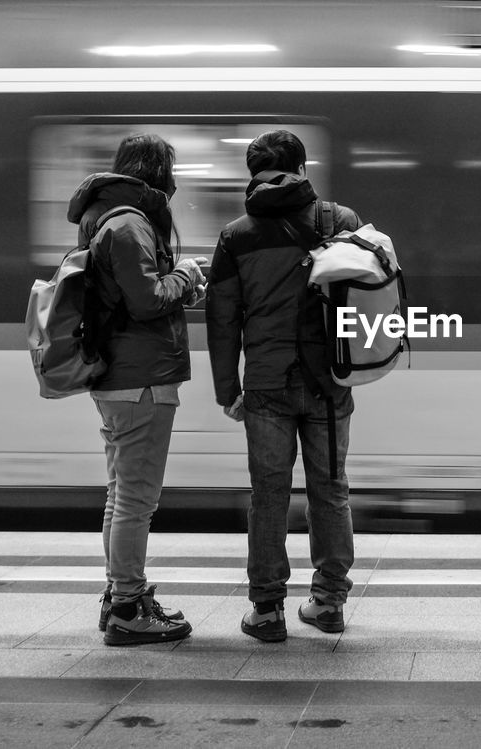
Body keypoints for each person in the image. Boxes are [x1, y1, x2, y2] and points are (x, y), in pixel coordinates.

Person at [206, 129, 362, 642]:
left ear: (253, 174)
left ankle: (268, 610)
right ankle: (329, 603)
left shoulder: (236, 235)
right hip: (328, 382)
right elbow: (359, 303)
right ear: (301, 164)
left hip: (268, 383)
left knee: (269, 494)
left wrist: (227, 387)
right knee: (330, 489)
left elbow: (223, 316)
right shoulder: (339, 222)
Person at [67, 132, 207, 645]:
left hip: (123, 374)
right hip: (140, 377)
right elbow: (147, 300)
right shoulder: (130, 224)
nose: (174, 183)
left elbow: (135, 295)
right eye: (170, 171)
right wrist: (187, 276)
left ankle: (119, 593)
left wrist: (177, 282)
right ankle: (128, 604)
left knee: (120, 493)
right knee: (136, 499)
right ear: (155, 173)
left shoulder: (112, 218)